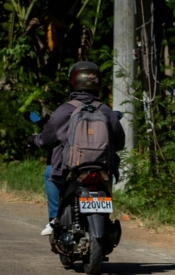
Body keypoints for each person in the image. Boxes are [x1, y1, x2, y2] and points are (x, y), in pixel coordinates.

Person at [28, 61, 124, 230]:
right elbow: (120, 142)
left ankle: (54, 219)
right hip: (102, 169)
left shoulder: (65, 110)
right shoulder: (106, 111)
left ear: (72, 83)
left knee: (49, 172)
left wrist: (33, 140)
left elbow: (45, 140)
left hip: (70, 169)